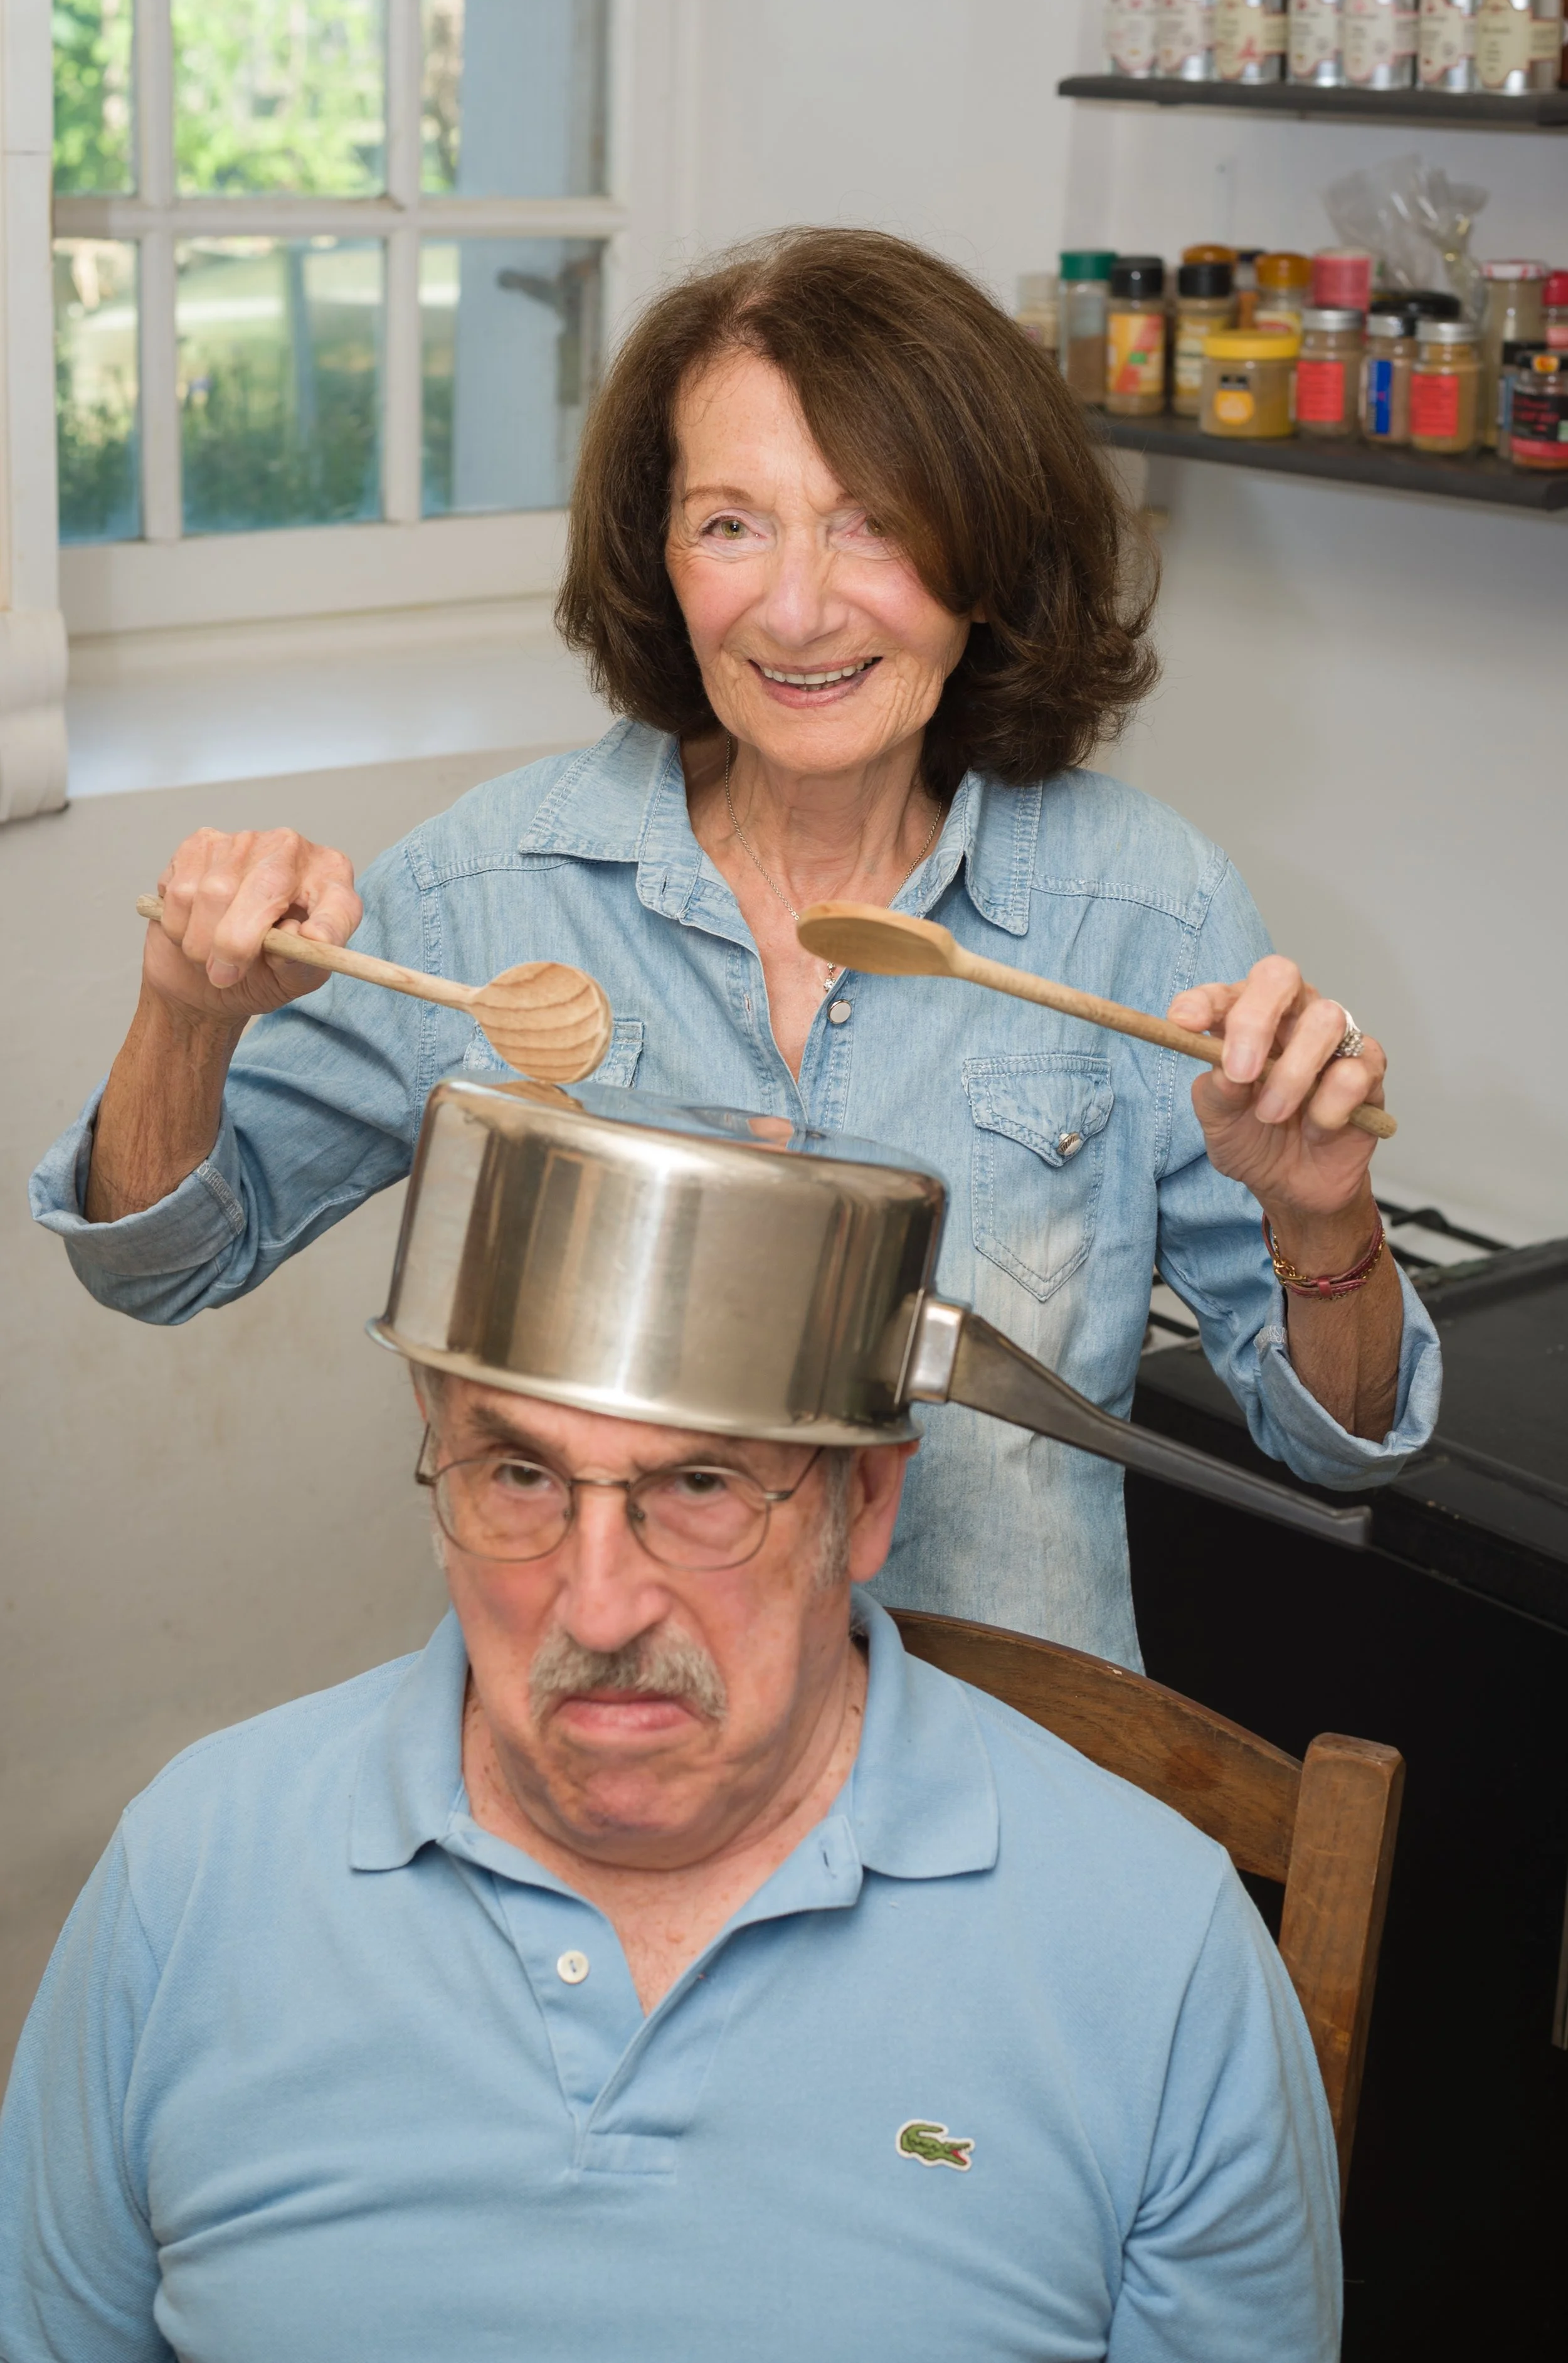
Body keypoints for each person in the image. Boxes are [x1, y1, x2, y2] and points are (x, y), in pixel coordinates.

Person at [29, 226, 1439, 1669]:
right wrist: (184, 1019)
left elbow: (1337, 1453)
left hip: (1004, 1782)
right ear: (659, 551)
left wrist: (1323, 1220)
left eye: (873, 523)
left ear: (987, 555)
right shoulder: (487, 887)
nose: (796, 605)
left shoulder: (1145, 908)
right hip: (597, 1751)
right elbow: (156, 1269)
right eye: (729, 523)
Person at [0, 1215, 1342, 2361]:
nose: (598, 1601)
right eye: (518, 1472)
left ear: (862, 1501)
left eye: (699, 1484)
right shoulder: (194, 1868)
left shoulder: (1155, 1953)